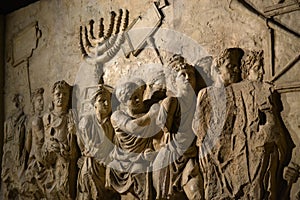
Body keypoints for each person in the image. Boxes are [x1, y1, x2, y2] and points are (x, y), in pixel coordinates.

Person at [227, 50, 295, 199]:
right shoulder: (235, 91)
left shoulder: (266, 89)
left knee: (267, 184)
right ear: (246, 69)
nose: (261, 72)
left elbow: (273, 122)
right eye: (257, 68)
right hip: (244, 147)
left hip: (267, 145)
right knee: (252, 184)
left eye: (261, 68)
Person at [192, 48, 244, 199]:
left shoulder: (236, 93)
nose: (235, 69)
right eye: (230, 65)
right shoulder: (206, 93)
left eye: (237, 66)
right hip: (211, 150)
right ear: (218, 68)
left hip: (233, 148)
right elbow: (197, 124)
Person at [153, 55, 203, 200]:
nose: (188, 78)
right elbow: (162, 126)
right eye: (182, 75)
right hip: (170, 159)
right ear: (174, 81)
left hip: (191, 155)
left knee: (197, 192)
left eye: (191, 75)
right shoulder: (171, 102)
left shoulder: (200, 101)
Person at [107, 79, 159, 200]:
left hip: (148, 155)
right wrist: (151, 114)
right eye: (132, 98)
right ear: (124, 102)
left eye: (138, 96)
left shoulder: (147, 108)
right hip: (126, 160)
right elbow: (133, 127)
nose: (137, 100)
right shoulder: (117, 116)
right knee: (139, 175)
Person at [77, 85, 120, 199]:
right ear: (94, 104)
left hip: (107, 166)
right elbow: (84, 145)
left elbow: (117, 144)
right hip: (92, 167)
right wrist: (87, 152)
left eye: (108, 101)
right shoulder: (87, 122)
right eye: (102, 101)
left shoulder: (113, 121)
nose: (106, 104)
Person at [42, 80, 79, 199]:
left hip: (69, 159)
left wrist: (74, 132)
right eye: (58, 94)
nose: (61, 97)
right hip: (53, 161)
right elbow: (45, 142)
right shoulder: (47, 118)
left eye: (65, 94)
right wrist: (50, 146)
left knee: (68, 191)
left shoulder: (72, 116)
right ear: (53, 97)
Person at [2, 94, 28, 199]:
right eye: (21, 101)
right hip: (11, 149)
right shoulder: (11, 119)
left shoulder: (22, 119)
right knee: (9, 173)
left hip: (15, 148)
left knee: (15, 174)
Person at [23, 88, 46, 199]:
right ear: (33, 103)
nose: (42, 103)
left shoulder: (32, 119)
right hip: (38, 157)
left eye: (42, 100)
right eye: (39, 100)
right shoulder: (36, 120)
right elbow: (41, 139)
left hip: (33, 157)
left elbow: (27, 144)